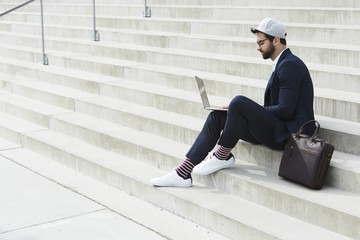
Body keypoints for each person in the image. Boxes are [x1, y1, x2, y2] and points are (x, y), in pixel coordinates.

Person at [150, 18, 315, 187]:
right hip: (278, 128)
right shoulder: (283, 63)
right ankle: (182, 173)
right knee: (217, 117)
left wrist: (245, 109)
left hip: (290, 135)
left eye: (261, 42)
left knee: (238, 102)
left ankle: (222, 155)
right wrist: (240, 111)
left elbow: (285, 111)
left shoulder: (290, 65)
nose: (258, 47)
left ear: (276, 40)